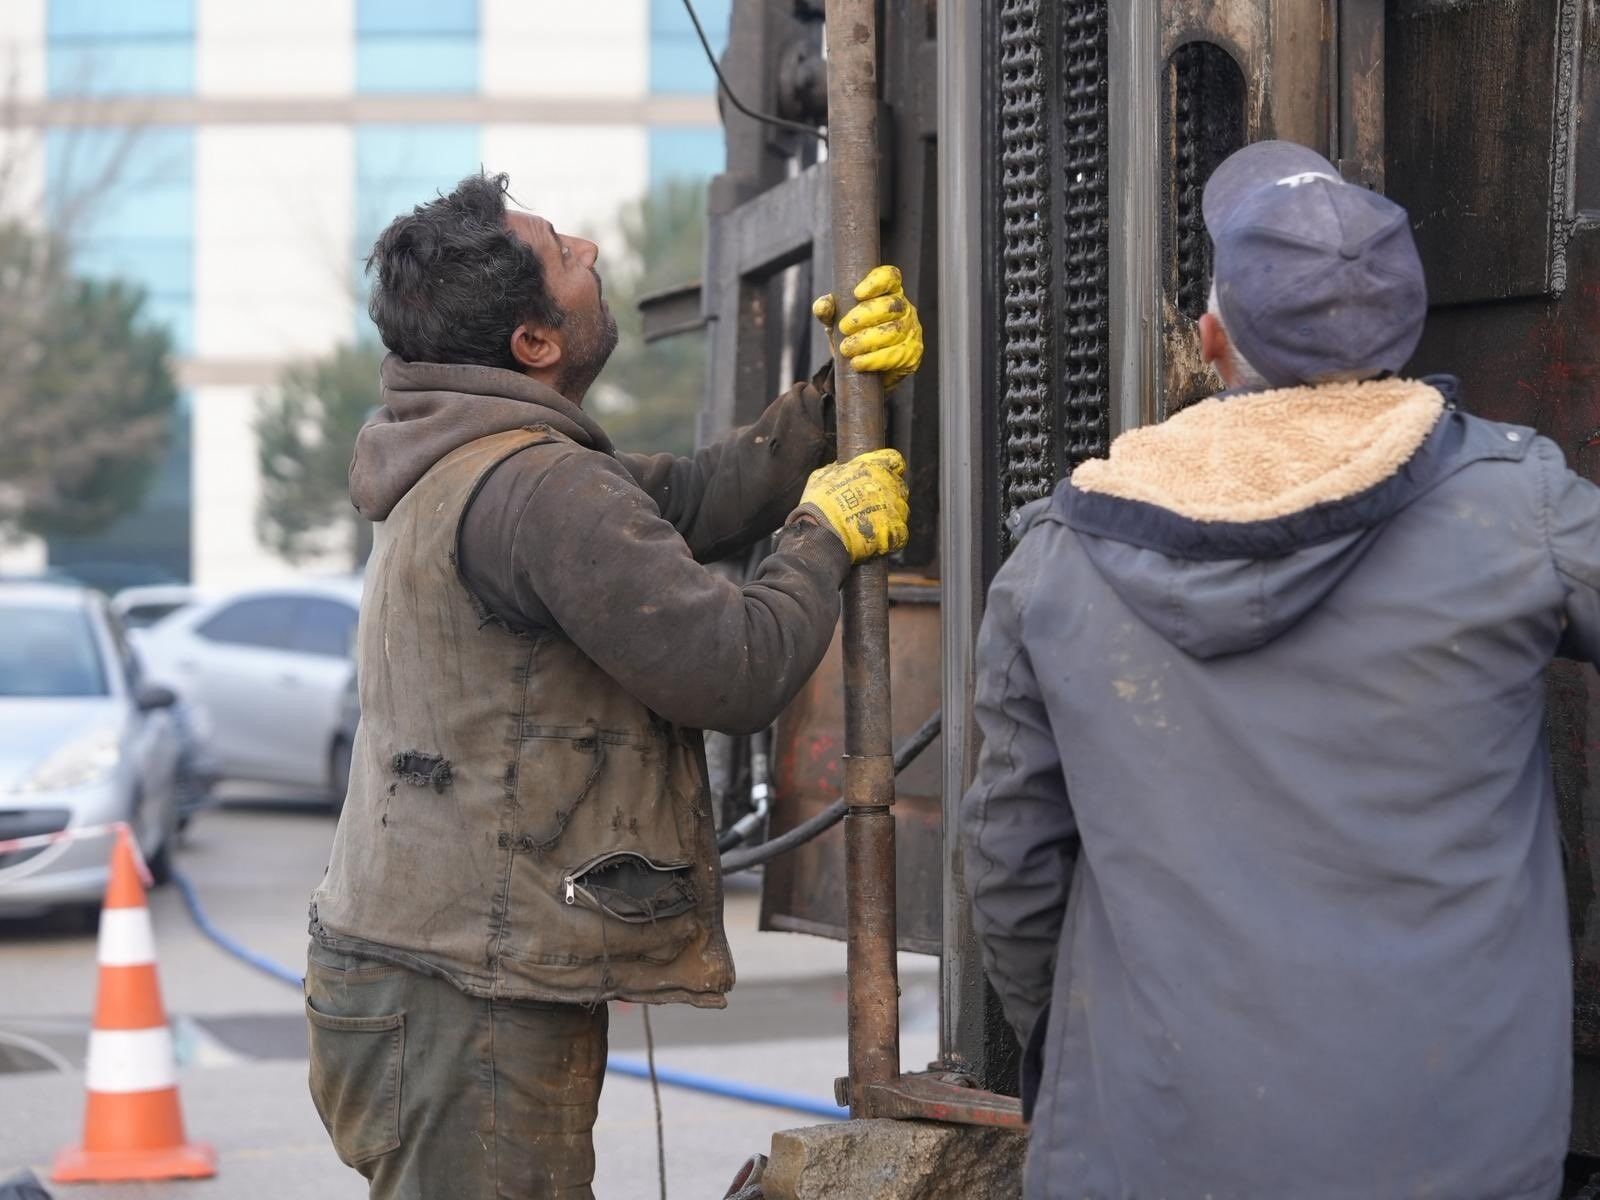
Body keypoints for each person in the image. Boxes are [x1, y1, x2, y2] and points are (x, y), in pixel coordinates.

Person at [961, 140, 1600, 1199]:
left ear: (1210, 341)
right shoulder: (1522, 511)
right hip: (1458, 1148)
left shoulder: (1059, 562)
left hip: (1146, 1147)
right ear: (1407, 328)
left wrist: (1093, 1058)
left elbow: (1010, 869)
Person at [304, 171, 921, 1199]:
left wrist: (836, 402)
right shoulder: (539, 485)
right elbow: (734, 666)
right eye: (563, 252)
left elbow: (693, 500)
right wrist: (824, 536)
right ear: (533, 344)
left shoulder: (470, 457)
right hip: (468, 996)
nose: (588, 249)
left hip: (431, 977)